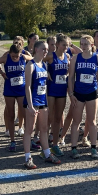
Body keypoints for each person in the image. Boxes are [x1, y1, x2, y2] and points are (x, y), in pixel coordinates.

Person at [0, 43, 33, 152]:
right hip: (9, 90)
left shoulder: (24, 57)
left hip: (21, 89)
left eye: (17, 56)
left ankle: (27, 139)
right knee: (10, 114)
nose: (15, 58)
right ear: (10, 53)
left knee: (25, 113)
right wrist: (1, 72)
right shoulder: (6, 58)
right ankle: (12, 140)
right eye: (13, 56)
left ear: (20, 53)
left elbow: (36, 60)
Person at [23, 41, 62, 169]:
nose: (46, 51)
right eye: (43, 49)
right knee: (29, 129)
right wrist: (30, 105)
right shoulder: (30, 65)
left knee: (44, 129)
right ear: (36, 49)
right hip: (32, 102)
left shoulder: (44, 65)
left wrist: (46, 103)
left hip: (42, 101)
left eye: (47, 49)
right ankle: (28, 157)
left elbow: (44, 86)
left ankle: (47, 154)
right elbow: (27, 86)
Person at [68, 35, 98, 159]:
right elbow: (71, 77)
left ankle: (93, 148)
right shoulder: (75, 58)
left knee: (92, 121)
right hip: (78, 93)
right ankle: (73, 148)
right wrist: (71, 94)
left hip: (92, 93)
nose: (83, 46)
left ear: (92, 45)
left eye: (86, 44)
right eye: (81, 44)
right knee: (76, 121)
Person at [45, 34, 71, 156]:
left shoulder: (67, 56)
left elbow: (69, 71)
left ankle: (55, 144)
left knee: (57, 118)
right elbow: (36, 61)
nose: (66, 47)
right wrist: (45, 72)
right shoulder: (51, 56)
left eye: (67, 45)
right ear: (57, 45)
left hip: (62, 90)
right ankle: (44, 145)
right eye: (63, 45)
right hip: (51, 90)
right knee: (49, 117)